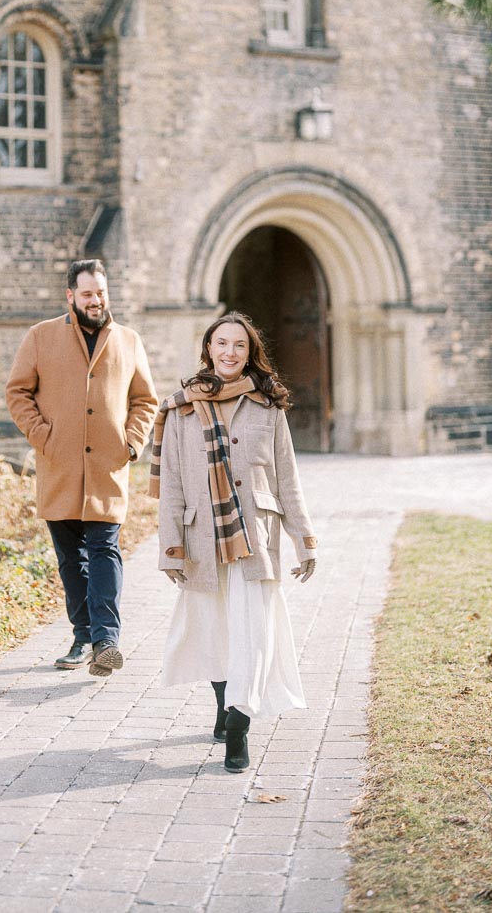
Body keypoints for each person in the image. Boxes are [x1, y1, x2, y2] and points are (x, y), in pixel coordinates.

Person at [150, 311, 318, 773]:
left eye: (239, 345)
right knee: (212, 632)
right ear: (208, 349)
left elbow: (288, 479)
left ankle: (240, 724)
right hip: (202, 535)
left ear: (250, 353)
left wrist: (305, 541)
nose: (229, 352)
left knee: (253, 632)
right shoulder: (181, 409)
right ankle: (225, 705)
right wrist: (171, 547)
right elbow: (172, 486)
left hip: (254, 537)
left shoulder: (268, 406)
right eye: (221, 343)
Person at [6, 259, 158, 677]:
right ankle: (82, 635)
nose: (97, 301)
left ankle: (106, 639)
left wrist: (131, 442)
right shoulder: (41, 336)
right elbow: (17, 392)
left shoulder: (128, 340)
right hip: (60, 465)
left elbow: (146, 399)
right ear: (71, 296)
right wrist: (43, 436)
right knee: (71, 557)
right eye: (88, 293)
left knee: (105, 548)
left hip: (109, 466)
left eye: (102, 293)